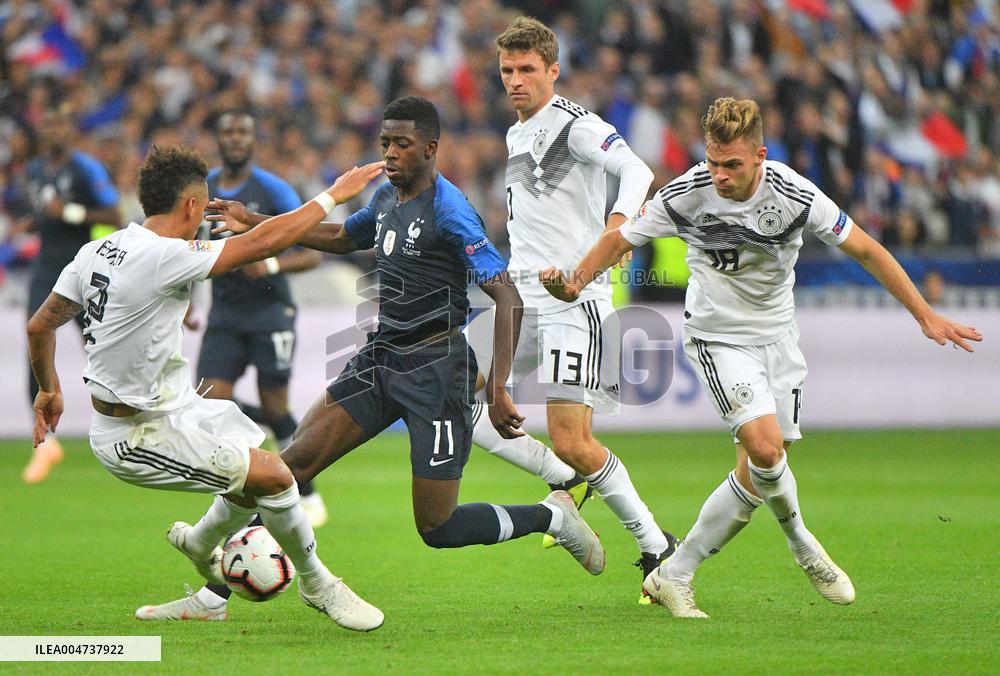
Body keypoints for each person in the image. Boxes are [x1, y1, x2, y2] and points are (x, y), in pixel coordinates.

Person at [136, 96, 605, 622]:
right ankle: (212, 598)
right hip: (381, 357)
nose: (390, 153)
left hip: (437, 372)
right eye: (385, 142)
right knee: (285, 469)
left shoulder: (451, 212)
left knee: (438, 528)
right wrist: (256, 222)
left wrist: (496, 389)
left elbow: (508, 297)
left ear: (430, 148)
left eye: (402, 144)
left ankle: (551, 519)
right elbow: (340, 236)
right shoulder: (385, 196)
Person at [541, 97, 983, 618]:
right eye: (712, 162)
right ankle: (802, 543)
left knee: (756, 476)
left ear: (759, 156)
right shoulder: (685, 193)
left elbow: (865, 249)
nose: (720, 175)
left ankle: (674, 574)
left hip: (779, 340)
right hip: (718, 337)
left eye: (732, 164)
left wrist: (924, 315)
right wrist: (574, 283)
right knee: (766, 450)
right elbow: (619, 240)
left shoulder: (794, 192)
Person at [27, 144, 387, 631]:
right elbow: (262, 245)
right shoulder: (165, 255)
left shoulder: (97, 249)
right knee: (277, 477)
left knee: (249, 471)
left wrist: (49, 389)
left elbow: (39, 326)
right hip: (136, 436)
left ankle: (203, 564)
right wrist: (333, 196)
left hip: (175, 409)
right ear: (193, 207)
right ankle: (318, 584)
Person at [462, 16, 675, 603]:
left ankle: (657, 547)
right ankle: (562, 484)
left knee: (574, 440)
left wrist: (617, 224)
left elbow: (638, 170)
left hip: (569, 297)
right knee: (455, 392)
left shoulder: (576, 126)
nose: (515, 80)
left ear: (553, 71)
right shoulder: (516, 133)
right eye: (507, 71)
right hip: (519, 295)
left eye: (527, 70)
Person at [194, 109, 328, 528]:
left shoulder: (274, 190)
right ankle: (253, 464)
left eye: (243, 132)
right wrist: (181, 300)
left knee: (276, 405)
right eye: (228, 131)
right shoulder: (203, 188)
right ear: (218, 139)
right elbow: (184, 243)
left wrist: (270, 267)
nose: (236, 139)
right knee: (208, 402)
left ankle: (306, 491)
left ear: (253, 141)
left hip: (271, 312)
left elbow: (312, 251)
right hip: (225, 315)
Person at [22, 104, 121, 484]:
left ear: (70, 131)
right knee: (34, 341)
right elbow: (44, 213)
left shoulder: (85, 168)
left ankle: (127, 420)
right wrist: (31, 223)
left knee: (102, 346)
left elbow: (113, 213)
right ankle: (45, 444)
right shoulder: (33, 171)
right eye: (48, 125)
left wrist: (72, 213)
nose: (54, 131)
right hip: (46, 269)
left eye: (61, 124)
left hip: (82, 270)